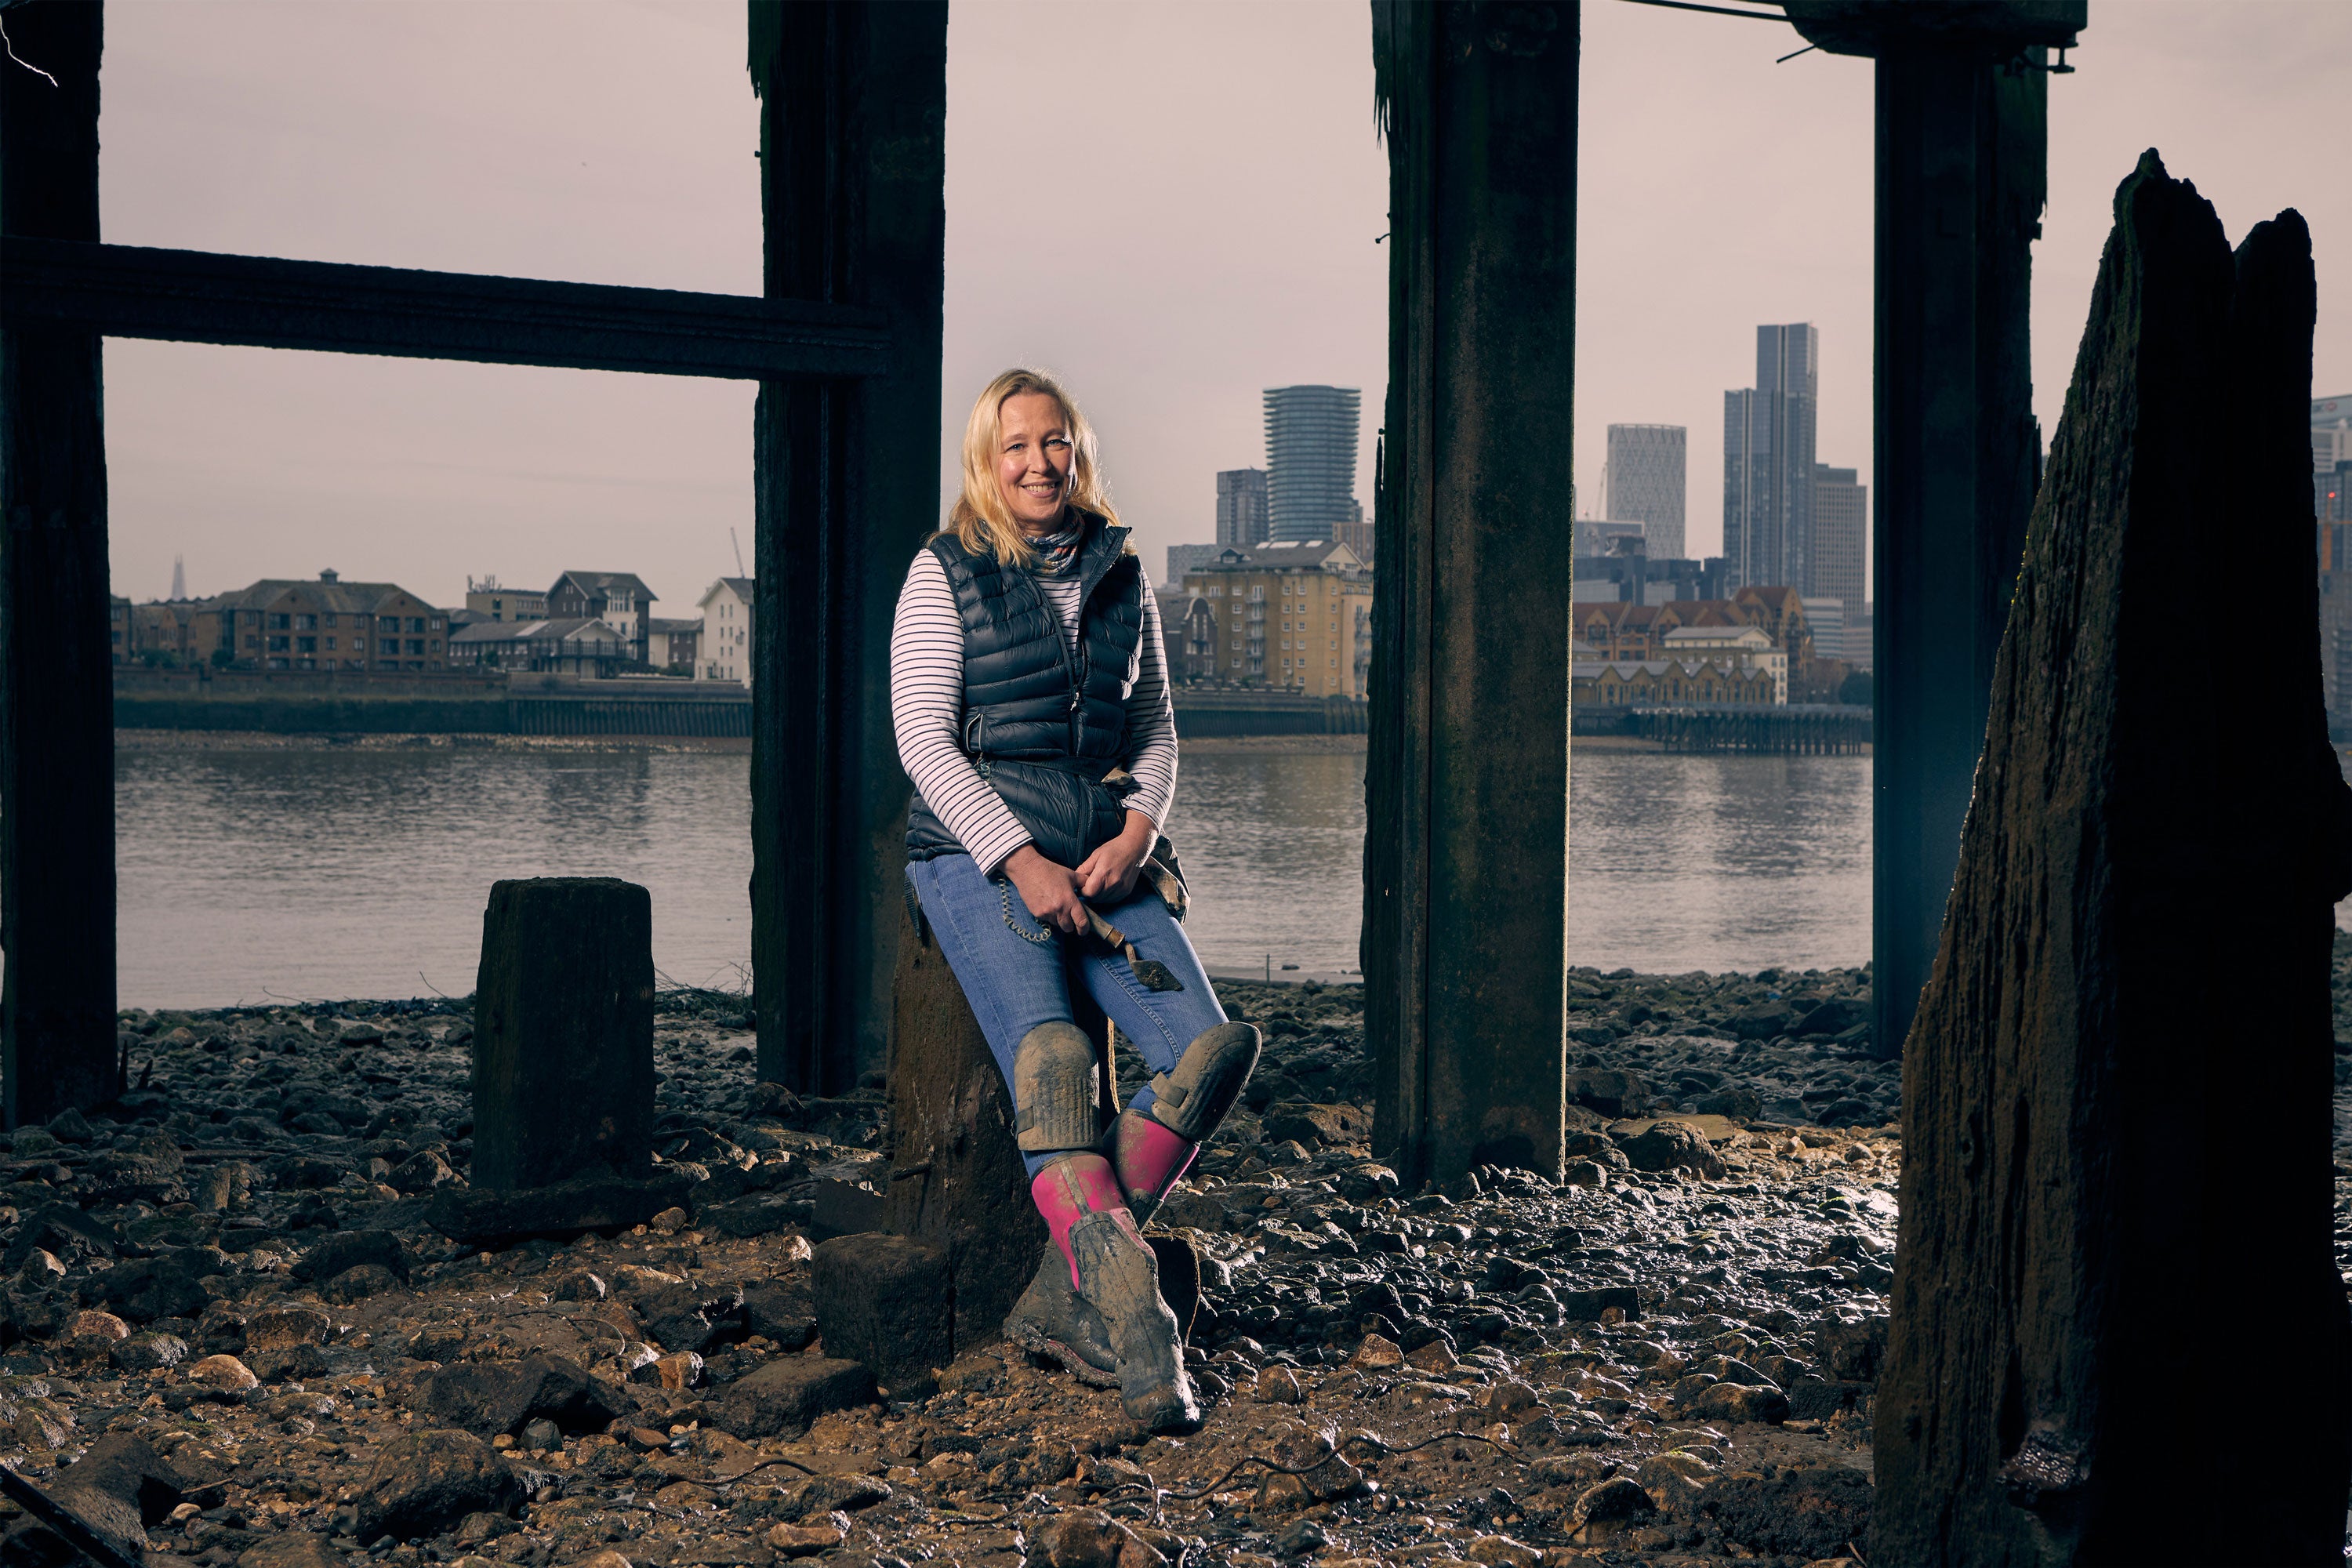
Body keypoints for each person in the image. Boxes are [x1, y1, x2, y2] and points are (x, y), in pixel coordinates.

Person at [892, 368, 1259, 1433]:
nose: (1038, 463)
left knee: (1211, 1054)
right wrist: (1018, 859)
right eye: (1016, 446)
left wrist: (1140, 829)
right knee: (1055, 1068)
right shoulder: (944, 571)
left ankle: (1066, 1292)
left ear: (1078, 451)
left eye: (1055, 443)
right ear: (986, 460)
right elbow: (923, 740)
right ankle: (1136, 1331)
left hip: (1107, 845)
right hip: (976, 851)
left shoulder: (1120, 569)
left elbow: (1155, 731)